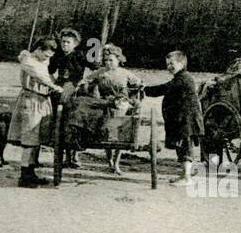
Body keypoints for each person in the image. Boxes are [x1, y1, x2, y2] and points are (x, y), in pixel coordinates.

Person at [78, 43, 142, 175]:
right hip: (105, 101)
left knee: (119, 123)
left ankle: (117, 162)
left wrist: (138, 89)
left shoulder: (125, 73)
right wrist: (84, 84)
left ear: (119, 60)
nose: (108, 63)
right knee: (102, 119)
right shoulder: (101, 72)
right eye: (106, 60)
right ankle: (110, 160)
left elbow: (139, 83)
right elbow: (86, 80)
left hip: (121, 101)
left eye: (111, 60)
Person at [142, 50, 204, 183]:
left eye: (172, 63)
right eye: (167, 64)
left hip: (186, 120)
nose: (169, 66)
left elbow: (164, 88)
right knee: (181, 148)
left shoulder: (184, 78)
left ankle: (187, 178)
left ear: (181, 64)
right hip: (180, 120)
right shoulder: (179, 77)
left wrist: (144, 89)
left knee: (186, 148)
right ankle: (183, 175)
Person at [12, 37, 59, 188]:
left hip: (41, 101)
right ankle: (24, 176)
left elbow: (45, 68)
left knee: (37, 139)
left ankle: (31, 173)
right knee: (29, 139)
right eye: (46, 55)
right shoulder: (29, 61)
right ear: (38, 49)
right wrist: (54, 86)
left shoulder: (40, 60)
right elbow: (40, 75)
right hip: (31, 100)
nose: (48, 58)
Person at [48, 28, 90, 169]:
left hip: (75, 89)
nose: (65, 45)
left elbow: (96, 67)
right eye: (63, 42)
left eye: (68, 42)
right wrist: (53, 83)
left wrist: (82, 82)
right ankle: (62, 155)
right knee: (59, 120)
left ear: (75, 44)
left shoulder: (80, 55)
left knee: (75, 120)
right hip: (60, 89)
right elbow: (48, 70)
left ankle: (75, 155)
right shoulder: (57, 56)